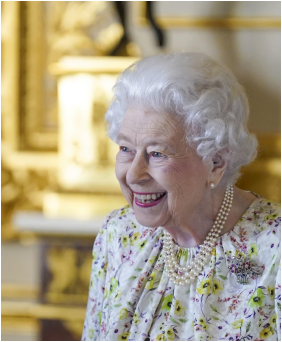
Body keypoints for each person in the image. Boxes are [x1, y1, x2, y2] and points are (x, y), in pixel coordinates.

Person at [82, 52, 281, 341]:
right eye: (125, 149)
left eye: (157, 153)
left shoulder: (274, 247)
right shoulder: (118, 234)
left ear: (215, 162)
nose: (134, 174)